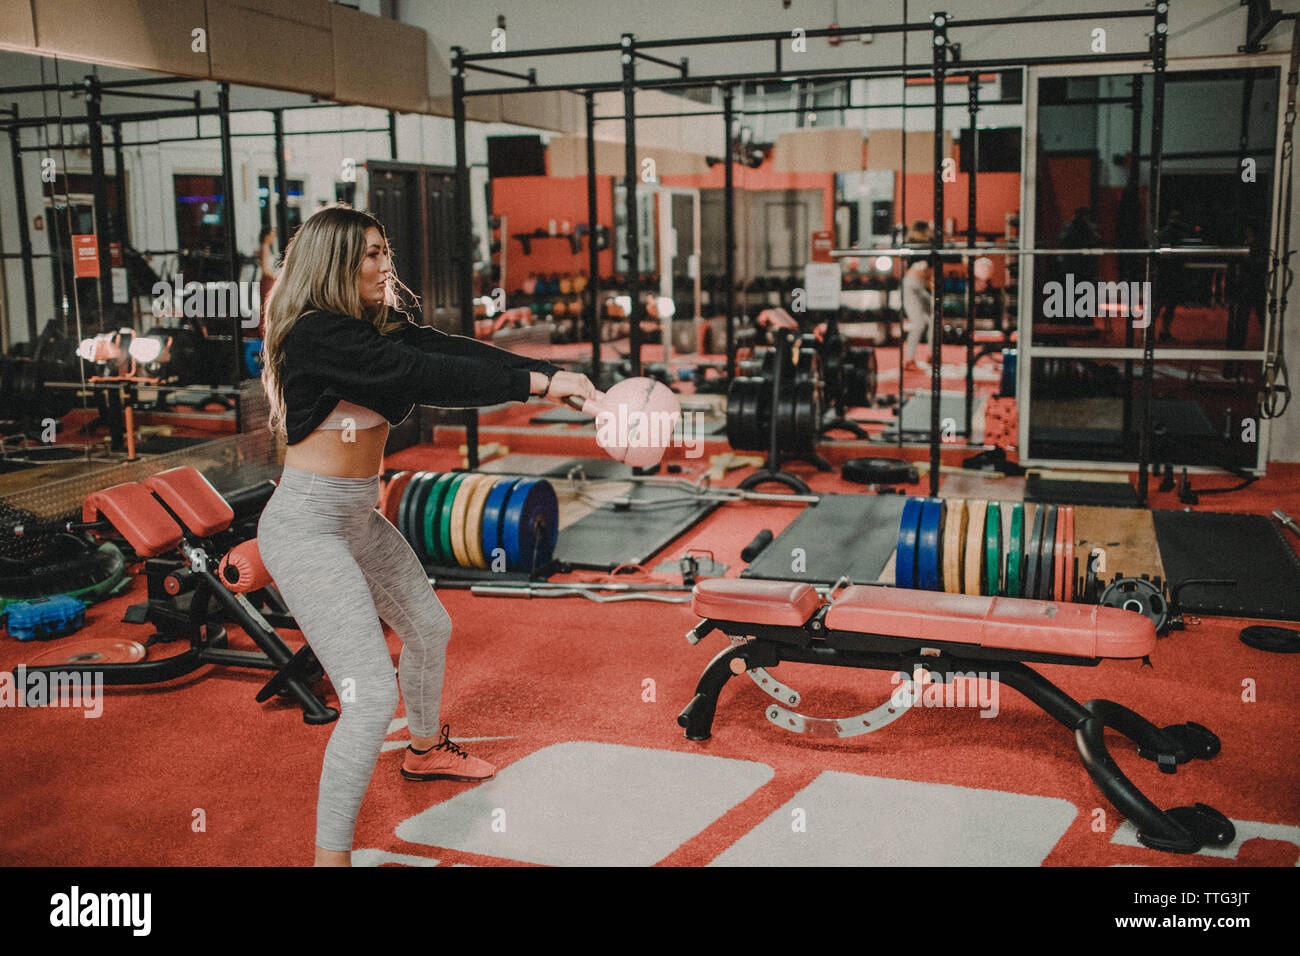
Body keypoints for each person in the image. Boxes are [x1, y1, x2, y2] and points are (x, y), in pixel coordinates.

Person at [257, 204, 596, 866]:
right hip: (306, 524)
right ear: (332, 265)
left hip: (356, 515)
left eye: (386, 251)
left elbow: (449, 355)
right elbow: (419, 378)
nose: (386, 265)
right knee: (367, 695)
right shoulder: (316, 335)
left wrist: (545, 379)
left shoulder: (375, 328)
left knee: (430, 629)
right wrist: (536, 382)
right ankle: (331, 860)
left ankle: (423, 749)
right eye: (370, 255)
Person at [901, 222, 935, 373]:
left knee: (935, 320)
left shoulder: (929, 247)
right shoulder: (914, 246)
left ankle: (933, 355)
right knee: (919, 323)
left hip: (922, 288)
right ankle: (909, 359)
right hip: (911, 286)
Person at [256, 226, 279, 338]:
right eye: (272, 235)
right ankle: (264, 332)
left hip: (269, 281)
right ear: (267, 237)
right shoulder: (265, 248)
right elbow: (265, 270)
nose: (274, 237)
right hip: (267, 282)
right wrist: (276, 276)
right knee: (266, 307)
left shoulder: (265, 248)